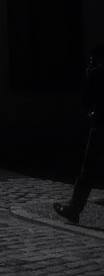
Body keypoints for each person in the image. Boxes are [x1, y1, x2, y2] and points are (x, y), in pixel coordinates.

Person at [54, 46, 104, 225]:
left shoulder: (97, 73)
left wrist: (89, 75)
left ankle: (74, 209)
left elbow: (87, 101)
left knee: (87, 170)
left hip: (100, 126)